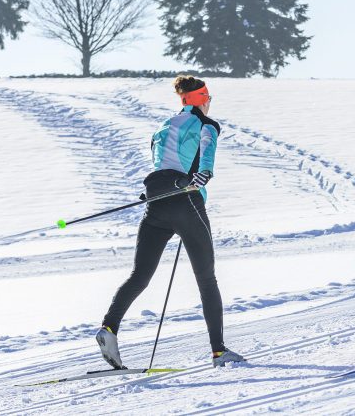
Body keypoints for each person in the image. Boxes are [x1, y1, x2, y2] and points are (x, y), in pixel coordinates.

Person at [96, 76, 245, 368]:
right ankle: (218, 352)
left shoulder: (163, 126)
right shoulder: (207, 125)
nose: (209, 103)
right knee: (206, 277)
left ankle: (109, 327)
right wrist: (204, 174)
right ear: (201, 99)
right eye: (208, 98)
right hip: (185, 199)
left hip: (155, 202)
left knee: (140, 274)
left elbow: (160, 163)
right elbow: (207, 150)